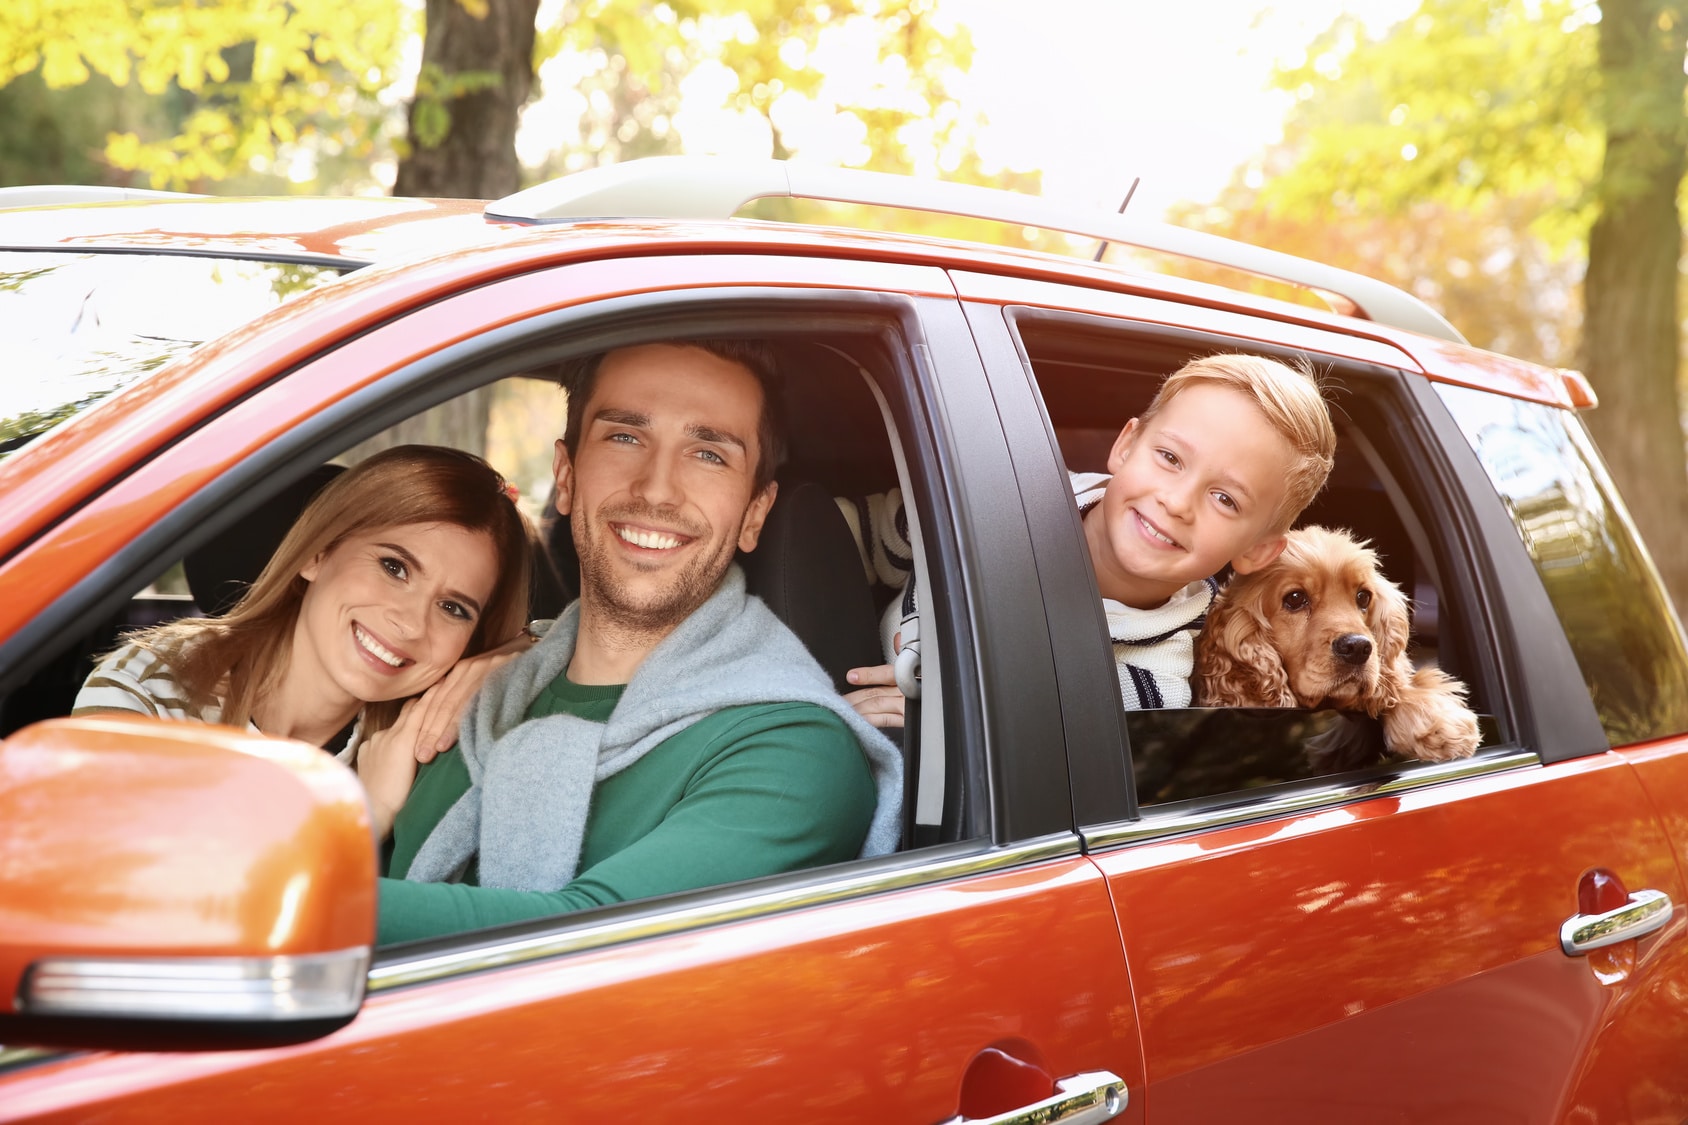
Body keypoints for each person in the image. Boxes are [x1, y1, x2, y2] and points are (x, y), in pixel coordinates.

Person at [370, 340, 904, 944]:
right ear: (566, 477)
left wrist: (261, 893)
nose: (657, 490)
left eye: (708, 454)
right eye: (625, 437)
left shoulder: (795, 751)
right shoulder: (464, 699)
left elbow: (572, 945)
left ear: (755, 514)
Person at [844, 353, 1337, 723]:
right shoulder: (992, 502)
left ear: (1256, 551)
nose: (1177, 502)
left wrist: (955, 718)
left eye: (1226, 499)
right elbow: (839, 538)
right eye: (1169, 458)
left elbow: (1044, 735)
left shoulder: (1156, 678)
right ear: (1125, 447)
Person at [73, 445, 537, 779]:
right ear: (316, 553)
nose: (412, 623)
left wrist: (519, 655)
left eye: (453, 608)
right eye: (394, 567)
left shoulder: (429, 736)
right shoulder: (156, 684)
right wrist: (369, 814)